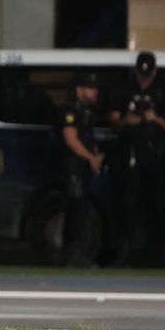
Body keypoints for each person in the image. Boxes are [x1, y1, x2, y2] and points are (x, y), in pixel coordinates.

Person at [110, 51, 165, 263]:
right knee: (128, 202)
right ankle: (126, 252)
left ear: (155, 71)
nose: (144, 78)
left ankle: (160, 253)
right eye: (141, 74)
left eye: (147, 74)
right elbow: (114, 122)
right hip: (131, 152)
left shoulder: (164, 91)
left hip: (156, 153)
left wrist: (154, 118)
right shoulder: (124, 89)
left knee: (158, 202)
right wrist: (126, 121)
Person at [59, 71, 106, 267]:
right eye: (90, 88)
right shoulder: (70, 110)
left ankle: (76, 253)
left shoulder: (86, 112)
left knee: (82, 210)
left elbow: (88, 138)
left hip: (83, 167)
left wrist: (95, 156)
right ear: (79, 90)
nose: (94, 92)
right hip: (73, 167)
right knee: (75, 209)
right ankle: (71, 254)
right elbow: (71, 139)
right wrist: (90, 158)